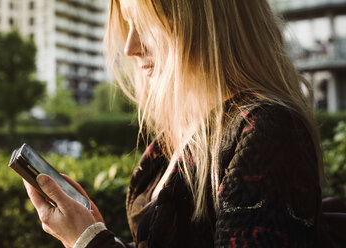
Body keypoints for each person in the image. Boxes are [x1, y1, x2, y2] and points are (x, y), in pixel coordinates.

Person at [24, 0, 330, 247]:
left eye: (143, 24)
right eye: (128, 25)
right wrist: (91, 229)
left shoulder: (266, 130)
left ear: (202, 23)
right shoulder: (181, 136)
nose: (130, 46)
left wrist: (88, 240)